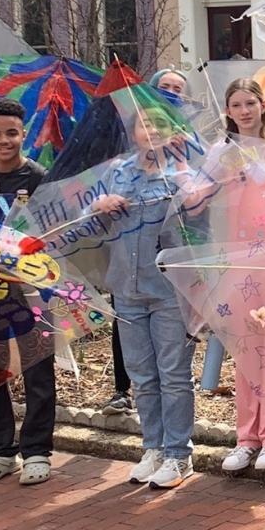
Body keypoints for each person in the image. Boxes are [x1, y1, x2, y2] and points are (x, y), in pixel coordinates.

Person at [90, 107, 198, 490]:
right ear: (133, 132)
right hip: (126, 289)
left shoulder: (182, 174)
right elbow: (91, 223)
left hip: (168, 290)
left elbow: (200, 221)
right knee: (142, 375)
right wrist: (98, 207)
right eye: (144, 124)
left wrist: (185, 182)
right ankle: (152, 447)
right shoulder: (116, 173)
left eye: (160, 125)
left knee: (173, 374)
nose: (151, 131)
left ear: (172, 133)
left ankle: (178, 454)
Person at [202, 78, 265, 473]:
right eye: (237, 104)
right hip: (239, 261)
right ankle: (246, 437)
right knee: (245, 348)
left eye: (251, 103)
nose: (244, 110)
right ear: (227, 110)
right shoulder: (220, 154)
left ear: (263, 106)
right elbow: (204, 203)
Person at [0, 98, 53, 485]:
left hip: (33, 291)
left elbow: (55, 234)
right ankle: (1, 451)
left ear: (23, 135)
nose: (4, 140)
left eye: (11, 133)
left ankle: (38, 450)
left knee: (38, 369)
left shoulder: (40, 178)